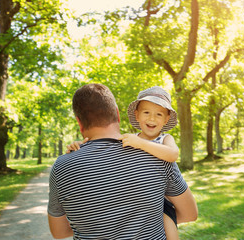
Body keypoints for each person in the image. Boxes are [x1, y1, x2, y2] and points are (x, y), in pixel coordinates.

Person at [48, 83, 197, 239]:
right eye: (147, 112)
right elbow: (190, 214)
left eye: (159, 114)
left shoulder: (61, 166)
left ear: (79, 123)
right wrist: (149, 219)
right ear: (118, 115)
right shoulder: (157, 158)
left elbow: (59, 233)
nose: (152, 118)